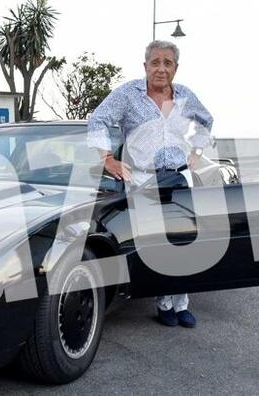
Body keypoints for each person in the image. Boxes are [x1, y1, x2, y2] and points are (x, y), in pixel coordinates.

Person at [87, 40, 213, 328]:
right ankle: (163, 303)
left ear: (175, 68)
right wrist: (108, 159)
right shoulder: (128, 95)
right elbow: (97, 120)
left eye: (167, 63)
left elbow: (206, 120)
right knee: (156, 244)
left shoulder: (185, 96)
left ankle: (182, 305)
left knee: (183, 242)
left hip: (180, 176)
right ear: (145, 66)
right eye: (155, 62)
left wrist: (197, 151)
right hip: (143, 177)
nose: (161, 68)